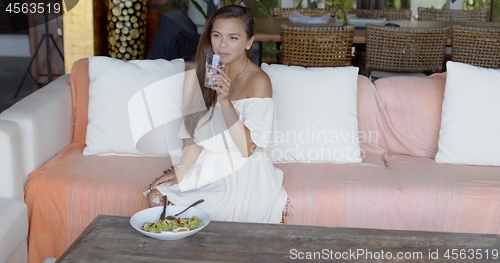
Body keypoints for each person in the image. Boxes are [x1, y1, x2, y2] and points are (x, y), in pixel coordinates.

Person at [145, 5, 289, 224]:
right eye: (217, 36)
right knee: (157, 197)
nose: (222, 45)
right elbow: (196, 134)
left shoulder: (258, 81)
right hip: (208, 162)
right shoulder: (204, 75)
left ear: (249, 41)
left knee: (200, 214)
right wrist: (181, 170)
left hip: (242, 170)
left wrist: (225, 101)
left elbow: (247, 148)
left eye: (233, 37)